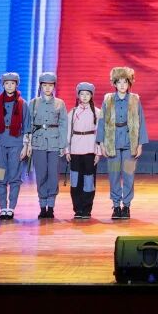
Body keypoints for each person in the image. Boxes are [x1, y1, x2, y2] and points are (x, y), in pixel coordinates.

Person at [98, 66, 147, 220]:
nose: (122, 85)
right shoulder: (108, 100)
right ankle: (116, 205)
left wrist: (140, 144)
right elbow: (101, 121)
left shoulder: (134, 100)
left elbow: (141, 122)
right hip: (112, 143)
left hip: (129, 144)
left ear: (129, 83)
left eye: (125, 82)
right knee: (114, 175)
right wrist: (101, 143)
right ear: (114, 83)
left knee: (128, 175)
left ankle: (126, 206)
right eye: (119, 82)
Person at [27, 71, 68, 220]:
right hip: (38, 143)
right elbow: (29, 124)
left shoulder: (60, 103)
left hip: (54, 143)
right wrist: (28, 143)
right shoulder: (33, 103)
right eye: (45, 85)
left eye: (50, 85)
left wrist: (63, 145)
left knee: (53, 175)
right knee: (41, 174)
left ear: (54, 86)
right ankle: (42, 206)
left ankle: (51, 207)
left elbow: (63, 124)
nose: (47, 88)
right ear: (41, 86)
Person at [0, 72, 30, 221]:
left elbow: (27, 126)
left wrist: (25, 146)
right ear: (3, 85)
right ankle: (3, 207)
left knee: (14, 176)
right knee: (0, 176)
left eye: (12, 83)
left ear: (16, 85)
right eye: (6, 83)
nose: (9, 86)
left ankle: (11, 208)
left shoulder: (22, 104)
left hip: (16, 143)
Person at [66, 82, 100, 221]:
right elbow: (68, 132)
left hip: (90, 149)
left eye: (87, 94)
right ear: (78, 96)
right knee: (75, 180)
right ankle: (77, 209)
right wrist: (67, 150)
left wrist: (98, 152)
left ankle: (87, 209)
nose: (84, 96)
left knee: (89, 180)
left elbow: (99, 134)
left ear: (91, 96)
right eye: (82, 94)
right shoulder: (72, 112)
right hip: (75, 149)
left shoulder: (97, 112)